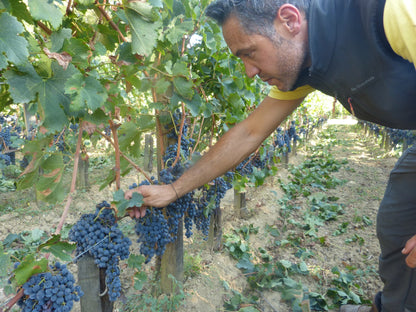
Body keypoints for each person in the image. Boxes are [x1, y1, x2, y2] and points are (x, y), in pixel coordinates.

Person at [126, 0, 416, 311]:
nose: (249, 73)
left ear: (290, 20)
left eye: (249, 53)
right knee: (399, 223)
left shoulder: (390, 12)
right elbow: (249, 132)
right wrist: (174, 189)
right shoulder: (304, 65)